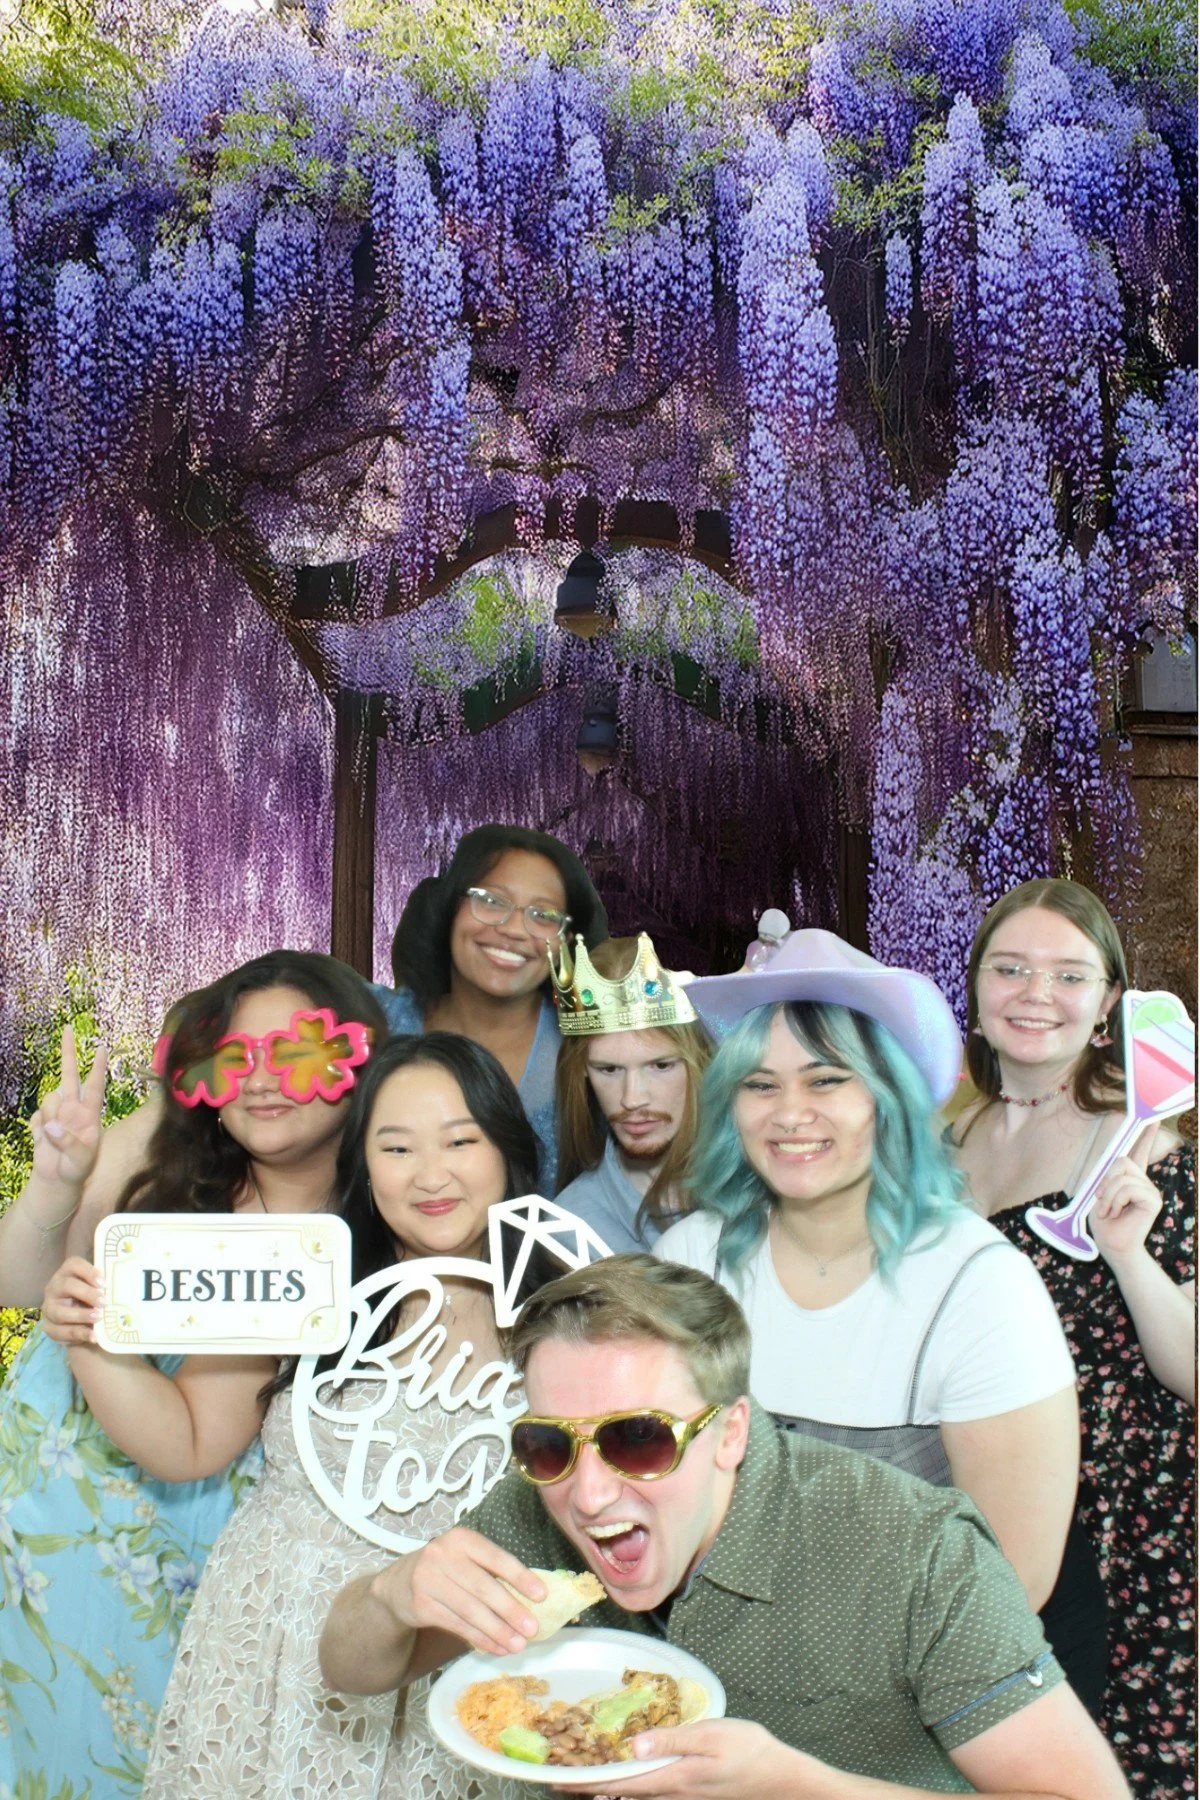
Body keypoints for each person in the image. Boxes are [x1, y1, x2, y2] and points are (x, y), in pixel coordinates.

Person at [318, 1255, 1131, 1800]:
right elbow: (351, 1669)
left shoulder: (915, 1551)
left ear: (732, 1431)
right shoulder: (537, 1503)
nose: (591, 1493)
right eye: (547, 1442)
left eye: (638, 1438)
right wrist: (391, 1596)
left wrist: (800, 1786)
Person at [51, 1030, 560, 1798]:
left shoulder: (571, 1311)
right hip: (277, 1648)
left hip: (466, 1652)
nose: (431, 1175)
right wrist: (89, 1341)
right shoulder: (307, 1282)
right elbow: (187, 1442)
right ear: (362, 1164)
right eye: (395, 1149)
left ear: (508, 1149)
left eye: (462, 1140)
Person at [654, 928, 1099, 1709]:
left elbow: (1014, 1580)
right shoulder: (694, 1259)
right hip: (718, 1680)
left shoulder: (979, 1285)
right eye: (760, 1085)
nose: (790, 1114)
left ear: (887, 1096)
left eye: (827, 1080)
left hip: (925, 1694)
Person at [0, 951, 387, 1799]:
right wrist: (56, 1187)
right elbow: (17, 1283)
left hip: (154, 1553)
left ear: (361, 1057)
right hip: (37, 1518)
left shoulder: (364, 1223)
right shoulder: (174, 1157)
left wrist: (89, 1340)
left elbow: (190, 1438)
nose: (261, 1082)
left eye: (297, 1052)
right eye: (233, 1059)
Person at [949, 878, 1195, 1798]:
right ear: (974, 989)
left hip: (1133, 1515)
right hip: (994, 1500)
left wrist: (1129, 1254)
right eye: (1010, 969)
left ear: (1107, 1007)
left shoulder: (1149, 1142)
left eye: (1067, 974)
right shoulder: (946, 1143)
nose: (1034, 993)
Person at [376, 826, 609, 1191]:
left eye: (544, 915)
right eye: (491, 900)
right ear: (451, 907)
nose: (515, 930)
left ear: (566, 941)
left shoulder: (594, 1049)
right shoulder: (373, 1020)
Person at [551, 933, 711, 1252]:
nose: (632, 1099)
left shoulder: (765, 1180)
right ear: (582, 1070)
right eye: (609, 1070)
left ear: (701, 1060)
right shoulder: (572, 1229)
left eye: (661, 1066)